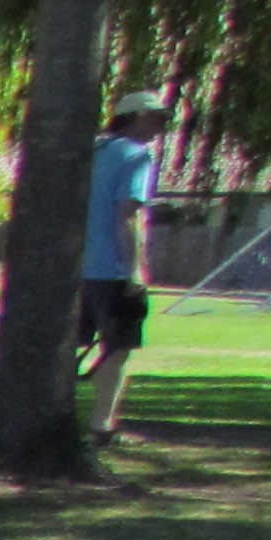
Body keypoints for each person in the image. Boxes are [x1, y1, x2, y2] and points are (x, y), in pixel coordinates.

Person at [82, 87, 164, 439]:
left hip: (77, 267)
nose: (162, 126)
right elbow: (128, 215)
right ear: (139, 117)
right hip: (112, 269)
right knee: (118, 348)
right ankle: (102, 423)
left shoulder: (93, 152)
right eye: (158, 117)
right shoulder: (136, 156)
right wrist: (134, 270)